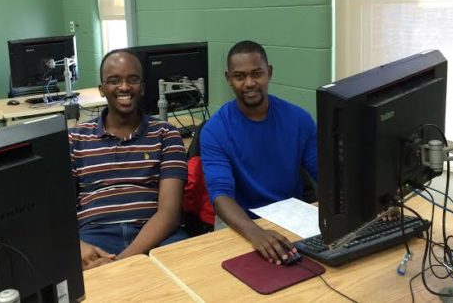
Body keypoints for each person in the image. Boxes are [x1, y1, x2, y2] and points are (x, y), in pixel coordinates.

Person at [69, 48, 189, 270]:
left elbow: (170, 213)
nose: (124, 87)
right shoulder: (75, 138)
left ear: (142, 87)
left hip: (157, 234)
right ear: (102, 89)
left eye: (132, 80)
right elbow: (57, 210)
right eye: (114, 81)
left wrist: (122, 263)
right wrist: (76, 245)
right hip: (94, 237)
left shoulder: (166, 135)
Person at [201, 40, 317, 265]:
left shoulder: (299, 120)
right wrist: (255, 232)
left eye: (257, 74)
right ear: (228, 79)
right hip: (240, 221)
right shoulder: (215, 130)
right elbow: (221, 197)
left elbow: (327, 174)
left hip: (291, 218)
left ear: (269, 72)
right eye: (239, 76)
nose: (249, 83)